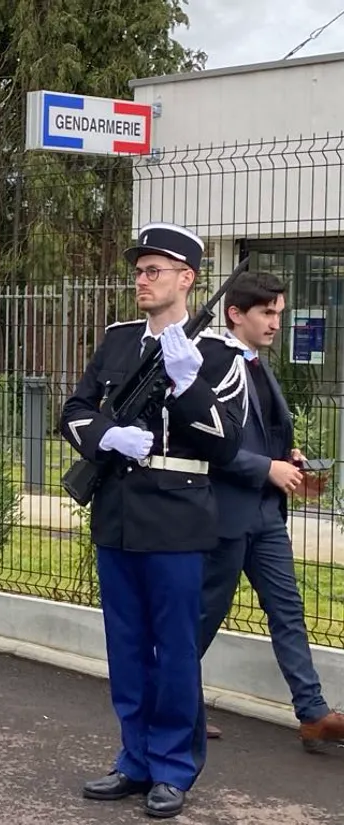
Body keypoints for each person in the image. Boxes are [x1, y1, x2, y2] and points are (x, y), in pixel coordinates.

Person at [59, 222, 246, 819]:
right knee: (128, 646)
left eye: (155, 271)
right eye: (138, 270)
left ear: (187, 279)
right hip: (117, 512)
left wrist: (190, 384)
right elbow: (75, 410)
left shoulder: (217, 355)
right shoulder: (117, 342)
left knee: (174, 649)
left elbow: (226, 442)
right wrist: (106, 436)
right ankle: (134, 759)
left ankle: (171, 766)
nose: (142, 280)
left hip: (178, 517)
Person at [196, 270, 344, 751]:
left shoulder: (258, 363)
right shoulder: (212, 362)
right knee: (203, 615)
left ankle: (313, 714)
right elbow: (206, 443)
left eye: (279, 313)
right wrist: (267, 469)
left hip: (266, 516)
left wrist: (290, 457)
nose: (276, 322)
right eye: (267, 313)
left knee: (288, 612)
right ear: (235, 314)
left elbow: (262, 431)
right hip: (226, 514)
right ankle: (173, 703)